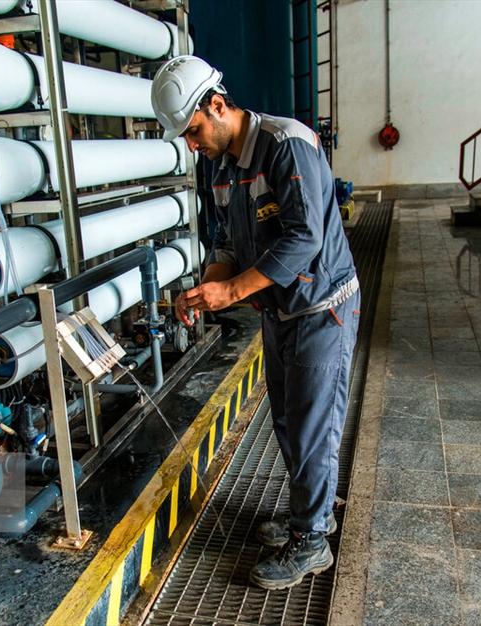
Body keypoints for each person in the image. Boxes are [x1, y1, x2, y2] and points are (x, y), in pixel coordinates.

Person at [151, 56, 360, 590]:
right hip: (280, 311)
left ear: (217, 105)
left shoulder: (286, 145)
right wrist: (209, 286)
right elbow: (226, 239)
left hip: (322, 308)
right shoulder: (221, 166)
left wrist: (233, 290)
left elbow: (305, 238)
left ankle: (312, 540)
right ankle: (311, 513)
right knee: (288, 422)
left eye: (193, 131)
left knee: (312, 428)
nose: (192, 145)